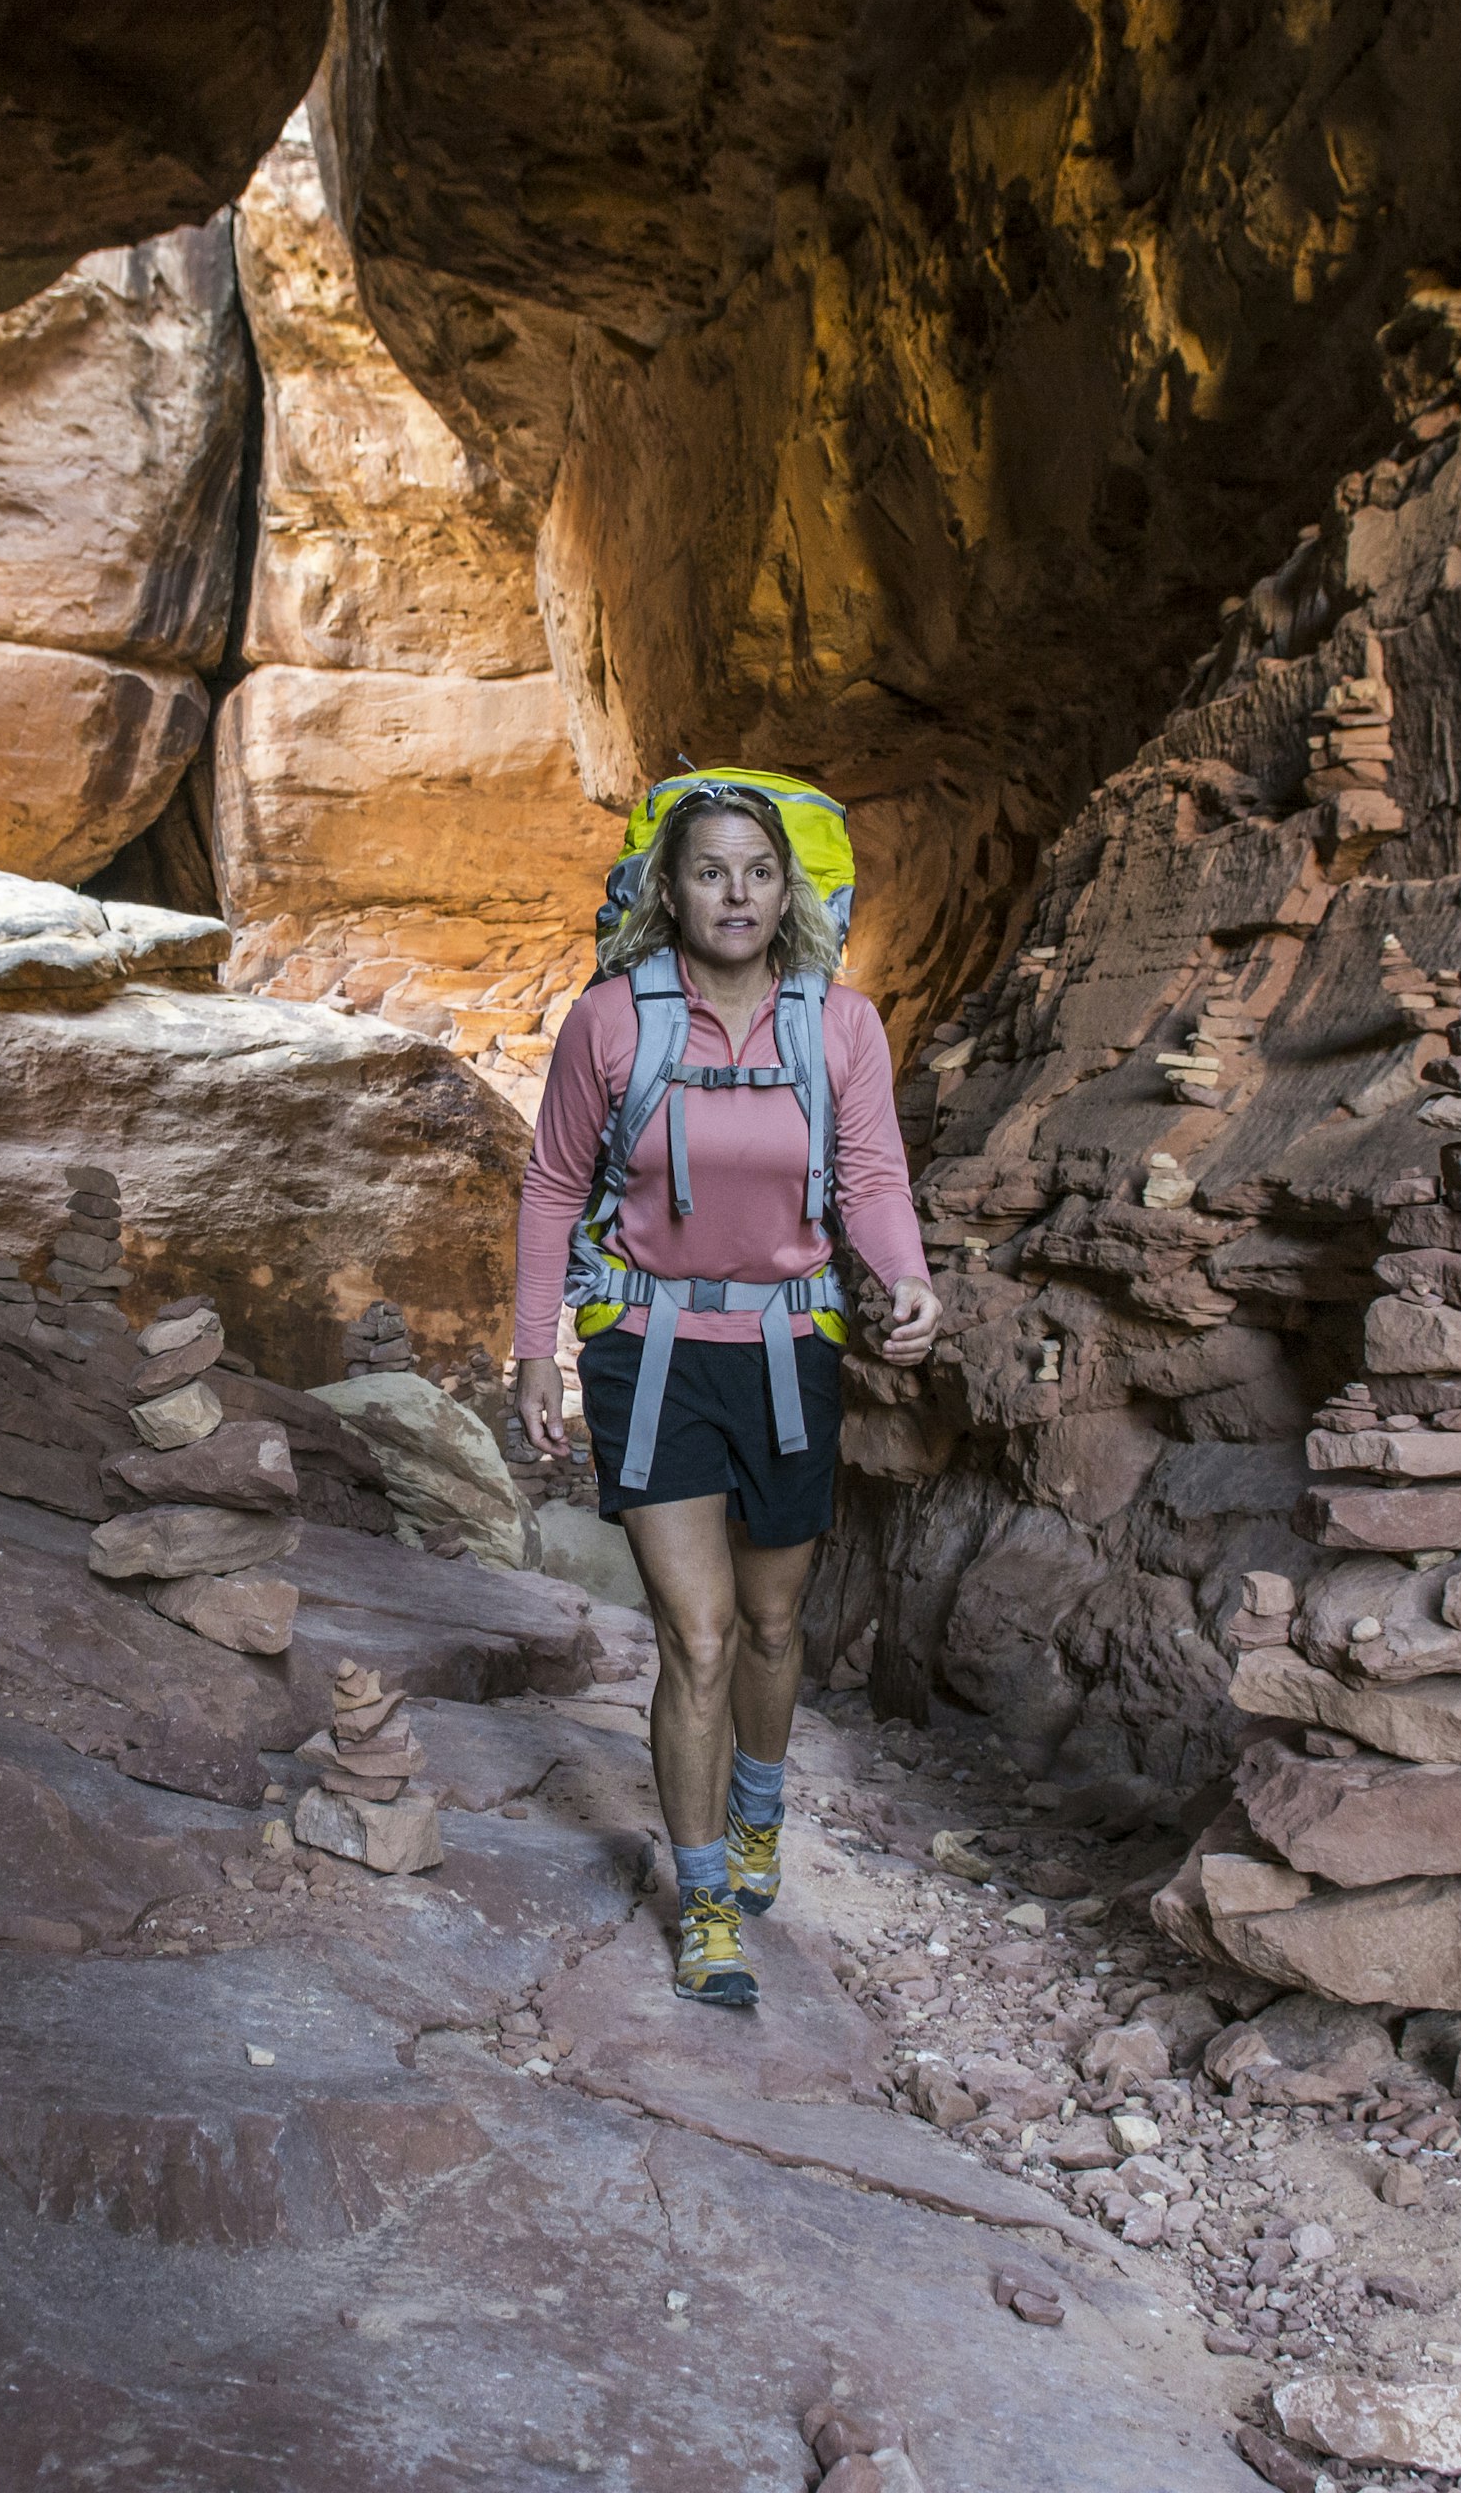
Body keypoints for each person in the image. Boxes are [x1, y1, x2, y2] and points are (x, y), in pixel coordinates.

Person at [510, 775, 940, 2007]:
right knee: (694, 1637)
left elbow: (869, 1175)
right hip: (647, 1353)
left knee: (768, 1624)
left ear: (789, 889)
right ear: (672, 888)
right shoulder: (612, 1021)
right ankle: (706, 1900)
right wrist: (537, 1347)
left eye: (758, 870)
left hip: (786, 1352)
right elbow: (551, 1185)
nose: (736, 892)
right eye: (710, 870)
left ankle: (760, 1805)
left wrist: (903, 1278)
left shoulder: (839, 1026)